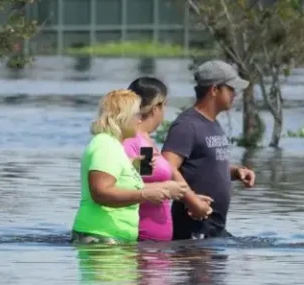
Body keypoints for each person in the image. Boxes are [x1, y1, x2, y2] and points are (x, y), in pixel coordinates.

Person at [71, 89, 190, 244]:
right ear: (123, 117)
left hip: (112, 239)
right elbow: (100, 193)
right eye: (137, 115)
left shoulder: (115, 146)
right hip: (101, 237)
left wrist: (132, 165)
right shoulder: (106, 145)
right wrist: (145, 194)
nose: (140, 120)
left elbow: (117, 179)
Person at [161, 60, 257, 240]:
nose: (235, 94)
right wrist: (192, 200)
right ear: (214, 90)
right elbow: (166, 166)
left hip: (213, 226)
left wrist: (236, 172)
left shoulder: (212, 123)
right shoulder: (187, 125)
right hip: (193, 226)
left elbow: (205, 166)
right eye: (231, 89)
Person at [123, 77, 213, 242]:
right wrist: (178, 194)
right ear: (155, 108)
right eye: (164, 105)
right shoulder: (135, 141)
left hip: (155, 245)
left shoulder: (146, 142)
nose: (165, 111)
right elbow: (130, 186)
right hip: (143, 241)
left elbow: (147, 179)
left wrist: (190, 198)